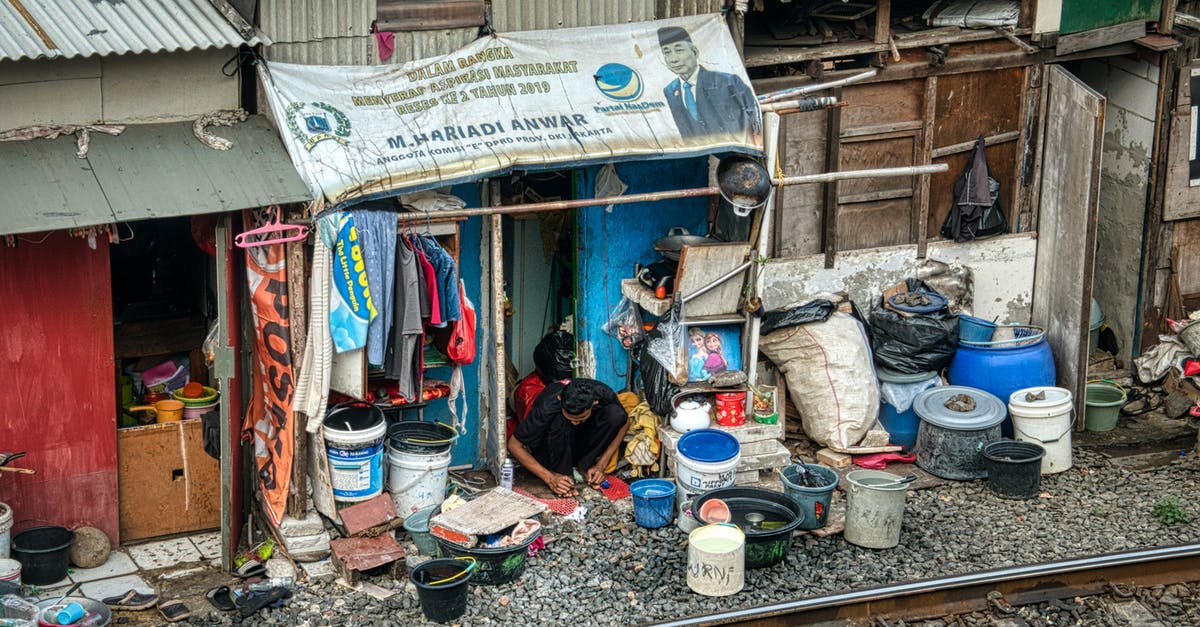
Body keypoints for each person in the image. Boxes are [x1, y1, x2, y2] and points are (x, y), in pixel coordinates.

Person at [508, 378, 629, 497]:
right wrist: (549, 478)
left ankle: (585, 465)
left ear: (594, 403)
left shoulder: (602, 393)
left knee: (615, 414)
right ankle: (562, 475)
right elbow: (514, 445)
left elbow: (625, 421)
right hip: (549, 448)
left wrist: (601, 464)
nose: (575, 423)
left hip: (579, 442)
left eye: (581, 418)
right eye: (571, 418)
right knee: (560, 421)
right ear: (560, 399)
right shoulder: (547, 405)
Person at [657, 25, 762, 140]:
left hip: (733, 153)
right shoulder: (670, 90)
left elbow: (753, 119)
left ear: (695, 52)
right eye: (667, 52)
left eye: (679, 50)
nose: (673, 59)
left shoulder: (728, 82)